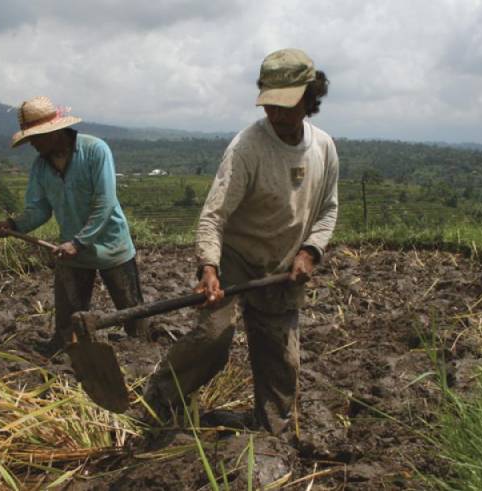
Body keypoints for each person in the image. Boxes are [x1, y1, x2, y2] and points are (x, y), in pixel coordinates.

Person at [143, 48, 338, 436]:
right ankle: (160, 401)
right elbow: (213, 215)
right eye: (271, 106)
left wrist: (310, 251)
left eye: (287, 105)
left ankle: (273, 435)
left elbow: (328, 209)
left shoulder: (323, 148)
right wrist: (209, 268)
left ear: (310, 98)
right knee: (213, 338)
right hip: (234, 257)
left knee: (281, 360)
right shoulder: (248, 147)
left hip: (282, 264)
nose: (277, 114)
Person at [0, 96, 148, 354]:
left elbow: (104, 203)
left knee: (135, 320)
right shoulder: (41, 167)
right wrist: (12, 225)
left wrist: (80, 241)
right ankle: (70, 364)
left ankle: (142, 358)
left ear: (56, 131)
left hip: (111, 246)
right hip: (72, 254)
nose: (34, 144)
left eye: (37, 137)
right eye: (31, 139)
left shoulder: (95, 150)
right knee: (66, 330)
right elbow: (39, 209)